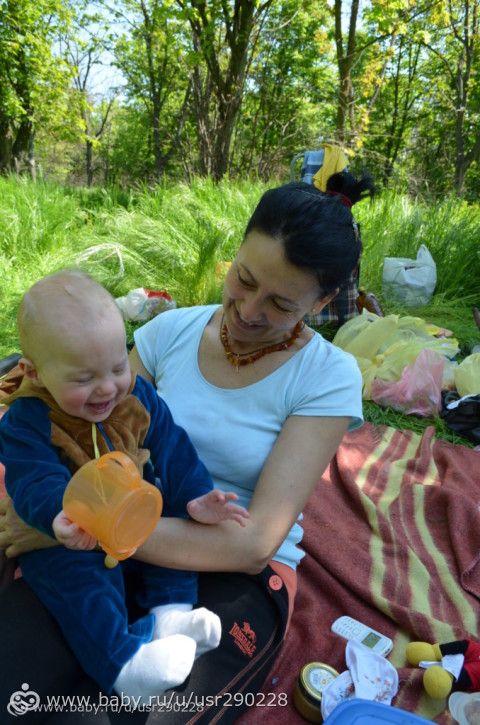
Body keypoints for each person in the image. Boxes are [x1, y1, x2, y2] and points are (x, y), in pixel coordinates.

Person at [0, 179, 365, 724]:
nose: (247, 310)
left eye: (281, 303)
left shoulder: (328, 377)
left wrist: (107, 523)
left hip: (225, 569)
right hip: (98, 538)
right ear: (236, 254)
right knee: (18, 688)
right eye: (244, 279)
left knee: (117, 716)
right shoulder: (168, 331)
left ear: (324, 302)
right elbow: (97, 426)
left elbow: (253, 544)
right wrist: (56, 512)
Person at [0, 271, 249, 706]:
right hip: (70, 533)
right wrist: (57, 515)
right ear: (33, 372)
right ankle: (123, 665)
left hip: (135, 518)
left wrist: (196, 497)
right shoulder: (28, 420)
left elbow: (173, 446)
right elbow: (33, 477)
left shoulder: (135, 397)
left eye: (117, 367)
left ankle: (169, 616)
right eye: (83, 380)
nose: (107, 388)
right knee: (79, 586)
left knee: (175, 529)